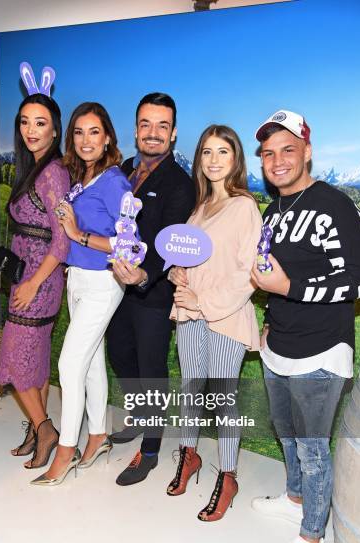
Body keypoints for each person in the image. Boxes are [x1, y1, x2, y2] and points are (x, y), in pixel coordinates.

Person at [251, 109, 360, 543]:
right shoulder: (274, 209)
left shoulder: (335, 205)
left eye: (288, 151)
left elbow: (355, 284)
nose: (277, 162)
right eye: (269, 153)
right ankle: (295, 498)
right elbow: (269, 272)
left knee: (314, 449)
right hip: (280, 343)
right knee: (288, 430)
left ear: (307, 152)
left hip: (321, 350)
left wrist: (289, 288)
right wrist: (272, 318)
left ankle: (311, 541)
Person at [166, 124, 262, 520]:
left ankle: (228, 475)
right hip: (189, 313)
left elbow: (247, 275)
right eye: (207, 152)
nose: (214, 160)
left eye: (223, 152)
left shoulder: (245, 208)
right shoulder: (199, 209)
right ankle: (188, 456)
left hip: (224, 316)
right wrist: (176, 272)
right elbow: (186, 257)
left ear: (235, 159)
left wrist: (202, 300)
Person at [31, 102, 129, 485]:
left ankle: (66, 451)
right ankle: (100, 436)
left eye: (94, 132)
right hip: (79, 279)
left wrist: (78, 234)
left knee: (69, 366)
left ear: (107, 138)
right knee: (89, 364)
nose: (86, 140)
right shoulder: (84, 177)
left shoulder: (115, 181)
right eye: (79, 132)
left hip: (103, 283)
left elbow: (128, 244)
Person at [106, 92, 195, 486]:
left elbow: (170, 242)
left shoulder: (180, 182)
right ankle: (140, 417)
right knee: (120, 354)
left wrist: (144, 276)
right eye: (146, 124)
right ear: (136, 129)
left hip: (152, 293)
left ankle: (152, 451)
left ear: (173, 134)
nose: (153, 133)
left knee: (152, 369)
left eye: (162, 126)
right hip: (115, 288)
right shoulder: (123, 170)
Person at [0, 93, 70, 469]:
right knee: (36, 359)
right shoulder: (33, 167)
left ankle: (44, 428)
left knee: (15, 357)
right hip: (27, 273)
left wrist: (31, 284)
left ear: (55, 130)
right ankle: (34, 429)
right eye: (25, 121)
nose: (31, 130)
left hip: (39, 279)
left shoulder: (53, 172)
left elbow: (62, 239)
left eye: (40, 122)